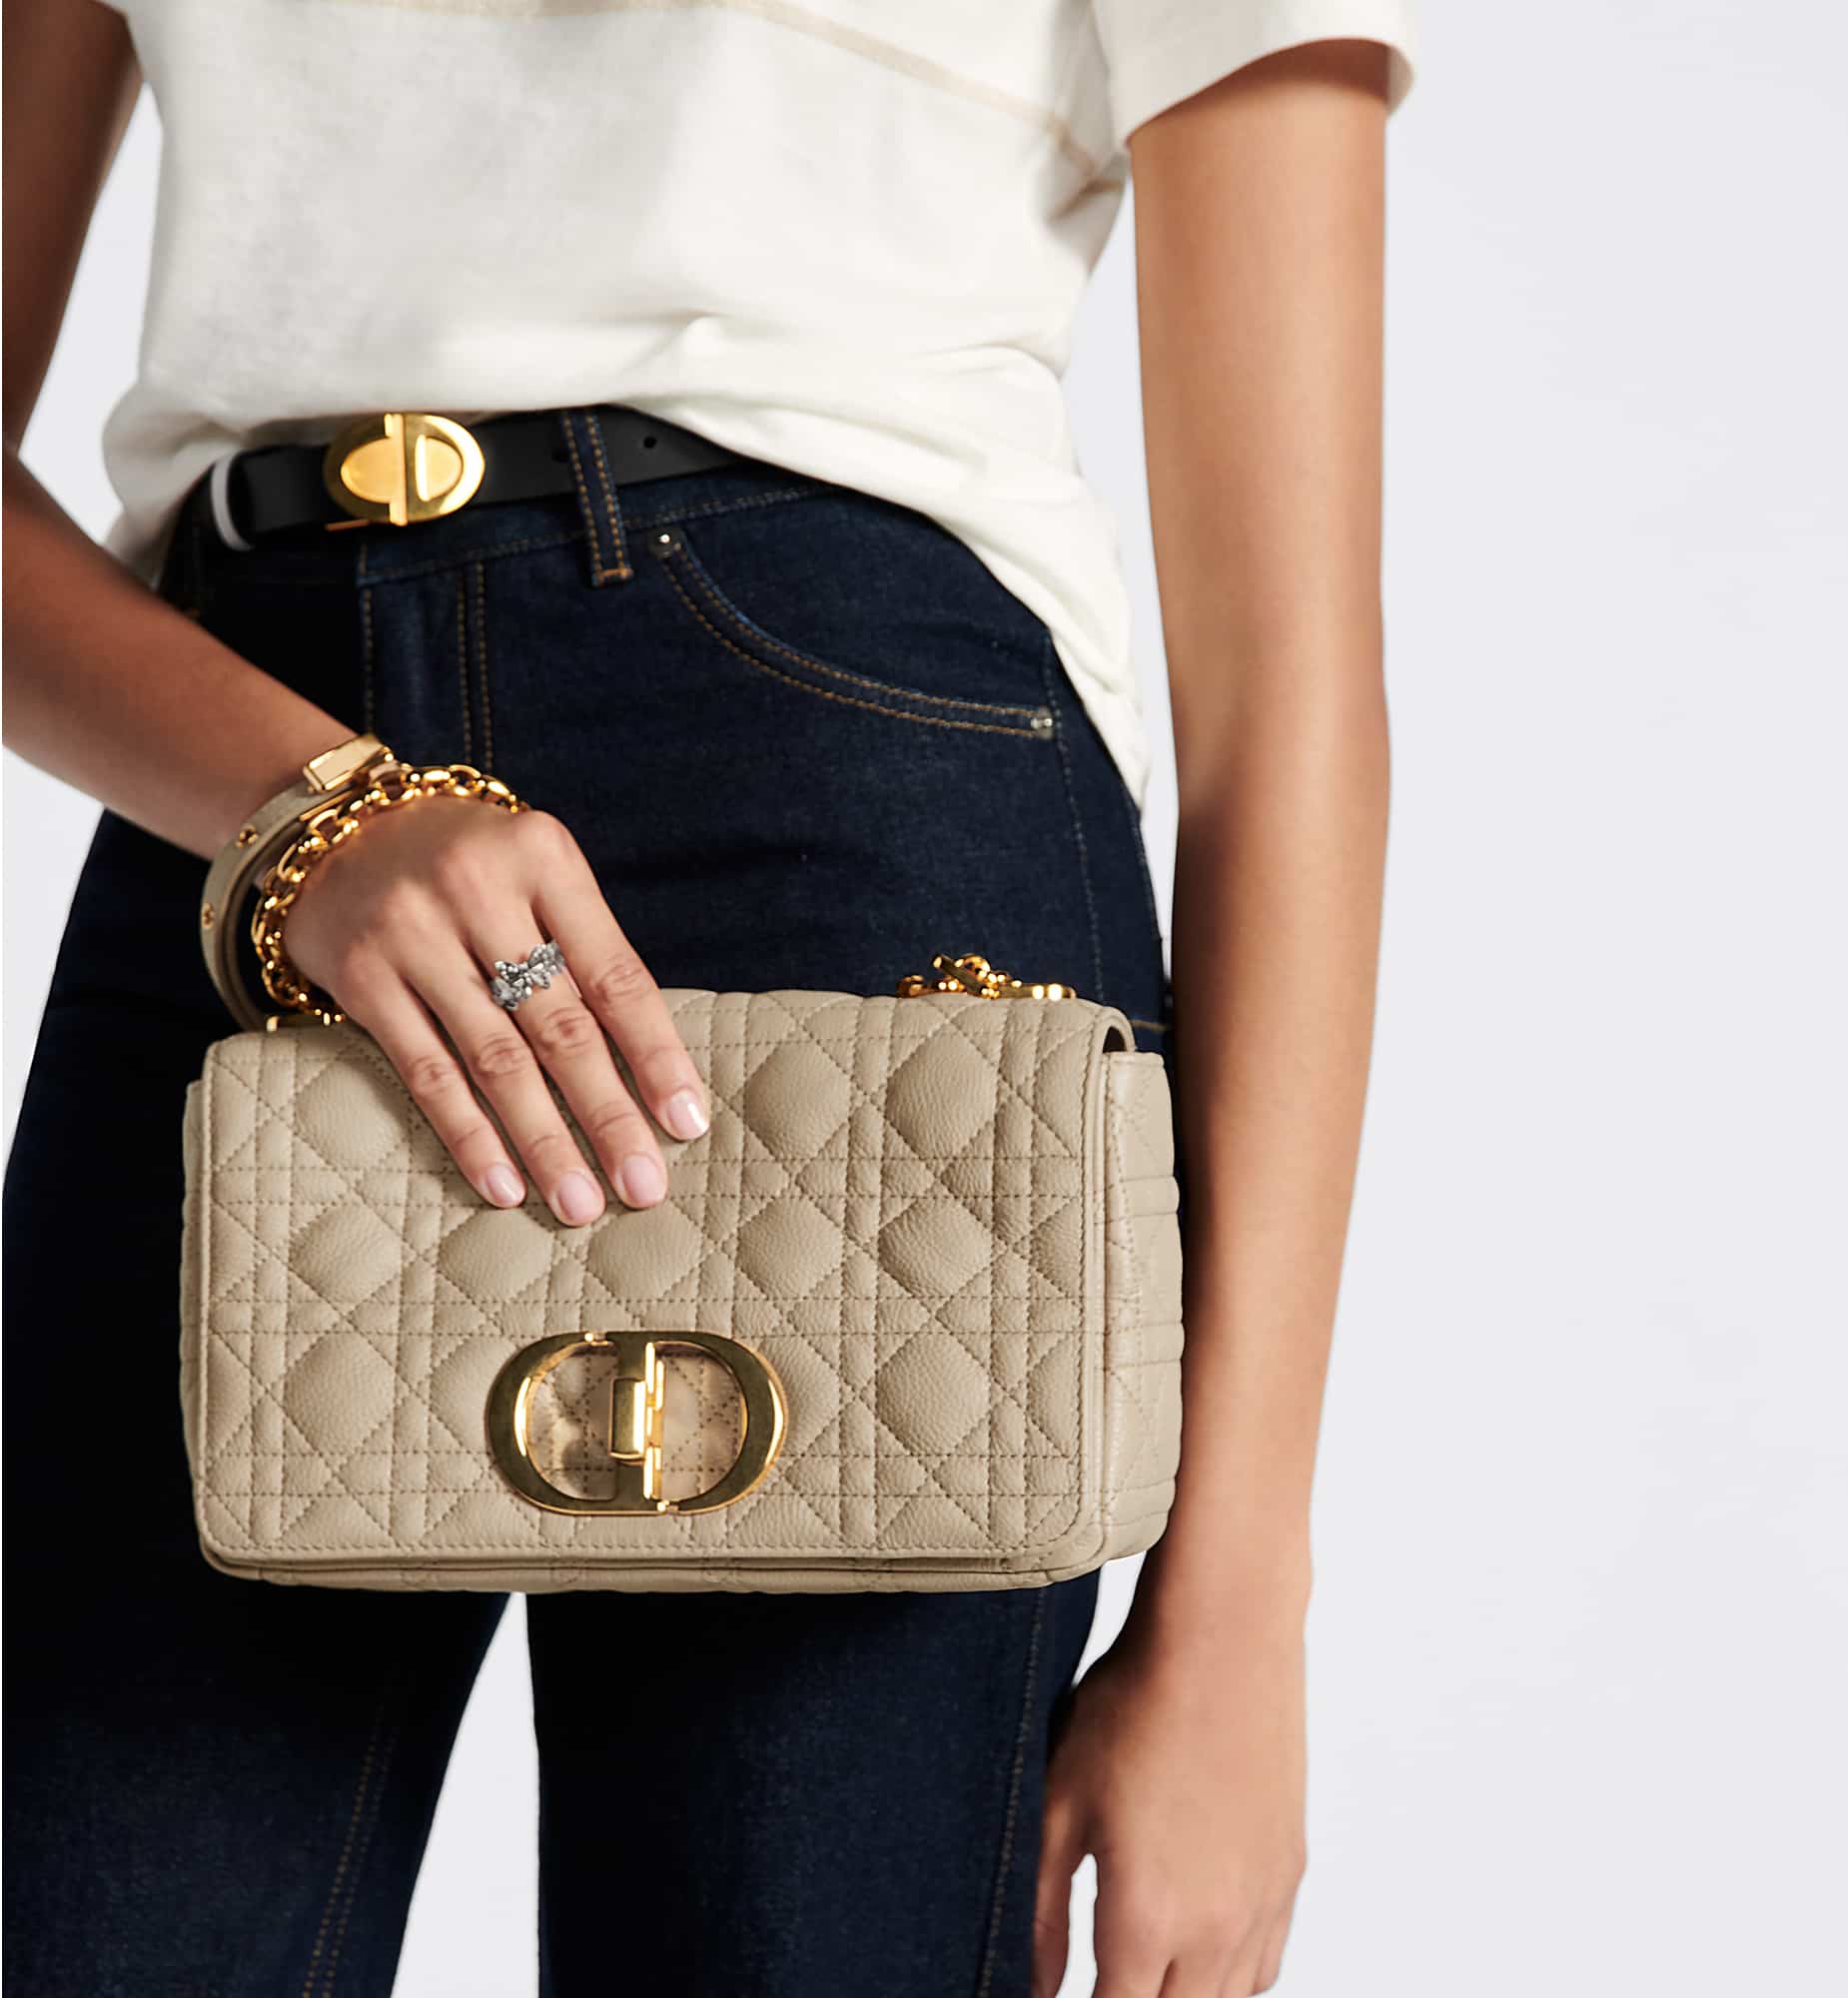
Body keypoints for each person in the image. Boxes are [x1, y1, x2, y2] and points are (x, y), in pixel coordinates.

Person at [1, 1, 1415, 1991]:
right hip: (242, 800)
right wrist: (306, 806)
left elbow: (1285, 703)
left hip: (843, 793)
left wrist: (1232, 1623)